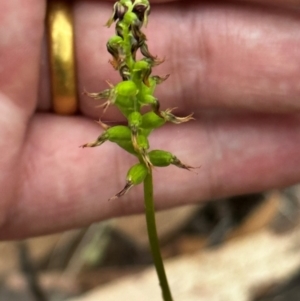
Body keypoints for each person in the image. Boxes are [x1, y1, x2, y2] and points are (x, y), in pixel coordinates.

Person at [0, 0, 299, 240]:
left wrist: (155, 111)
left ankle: (151, 148)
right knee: (133, 131)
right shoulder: (125, 74)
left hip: (138, 96)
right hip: (129, 98)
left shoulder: (141, 77)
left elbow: (149, 99)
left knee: (153, 140)